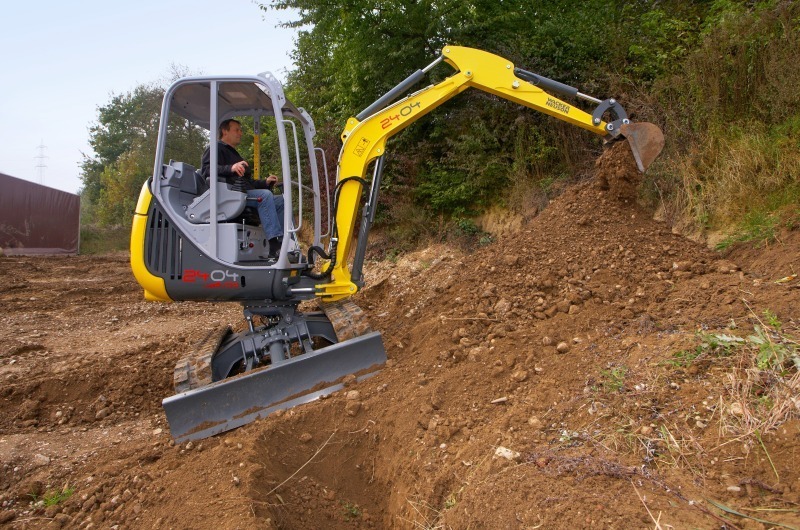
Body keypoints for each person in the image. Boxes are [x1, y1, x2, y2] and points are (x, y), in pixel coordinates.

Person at [201, 119, 284, 261]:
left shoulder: (235, 154)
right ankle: (274, 245)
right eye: (237, 130)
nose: (241, 133)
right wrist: (230, 168)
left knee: (281, 201)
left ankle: (284, 242)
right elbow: (206, 171)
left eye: (240, 130)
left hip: (243, 193)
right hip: (228, 196)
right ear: (225, 131)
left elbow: (248, 183)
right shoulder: (215, 148)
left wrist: (265, 182)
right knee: (265, 196)